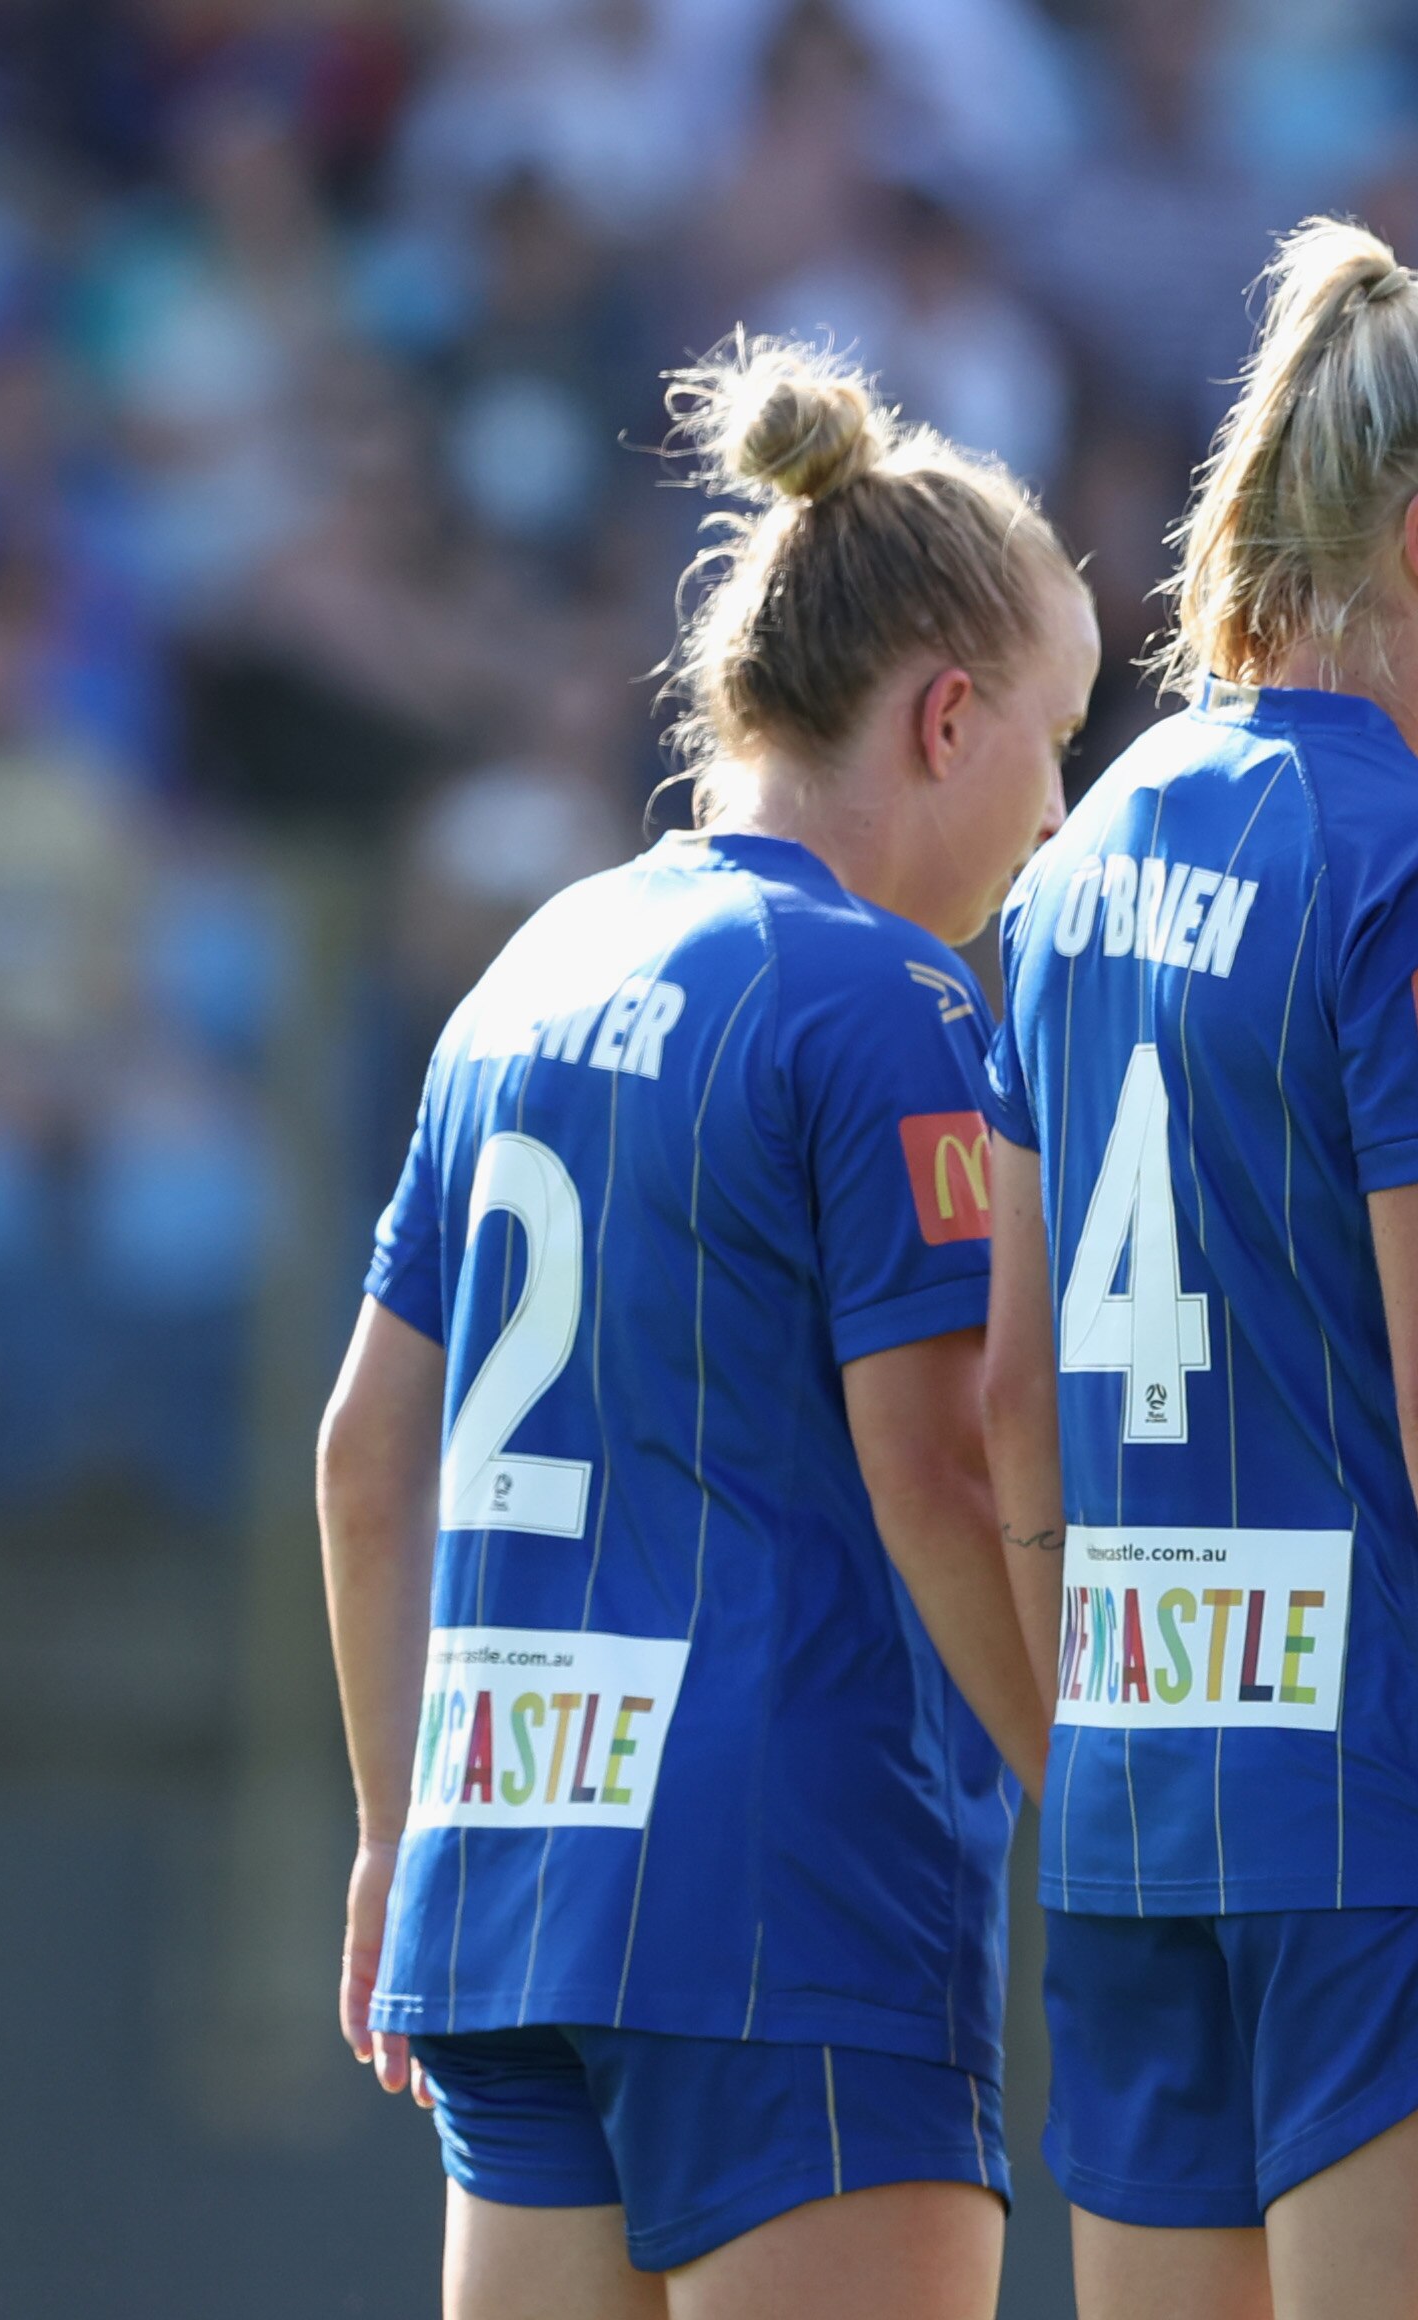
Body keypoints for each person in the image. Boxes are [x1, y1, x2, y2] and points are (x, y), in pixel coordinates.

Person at [314, 338, 1092, 2318]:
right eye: (1056, 738)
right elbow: (941, 1466)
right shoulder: (886, 999)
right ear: (947, 718)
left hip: (501, 1882)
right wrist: (1099, 1817)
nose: (1057, 808)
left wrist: (395, 1826)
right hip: (788, 1902)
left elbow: (364, 1456)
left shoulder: (528, 967)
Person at [978, 217, 1418, 2320]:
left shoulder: (1075, 855)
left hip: (1134, 1812)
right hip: (1391, 1817)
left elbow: (1007, 1397)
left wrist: (1101, 1744)